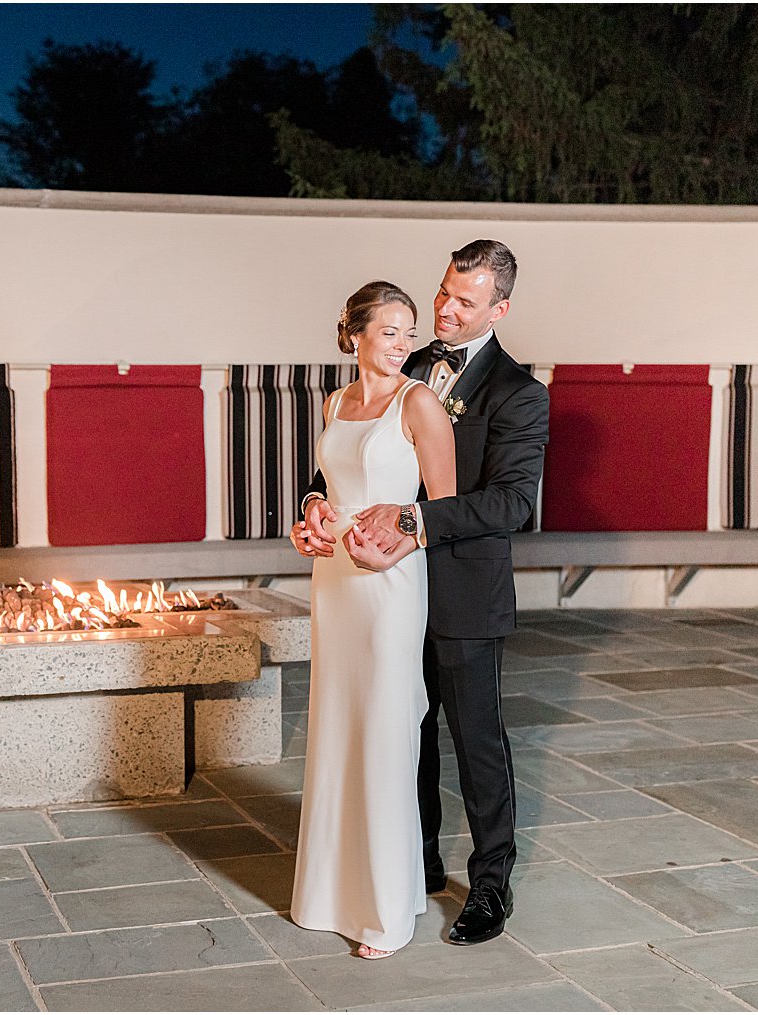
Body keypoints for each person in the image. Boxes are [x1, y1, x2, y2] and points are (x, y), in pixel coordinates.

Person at [298, 240, 549, 947]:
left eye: (464, 301)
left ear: (499, 309)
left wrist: (414, 520)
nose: (444, 308)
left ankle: (491, 885)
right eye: (444, 291)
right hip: (384, 589)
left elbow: (511, 505)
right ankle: (418, 863)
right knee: (400, 731)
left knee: (475, 741)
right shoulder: (402, 363)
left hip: (463, 591)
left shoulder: (520, 394)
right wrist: (317, 501)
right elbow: (356, 459)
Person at [288, 280, 456, 959]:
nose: (402, 343)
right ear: (354, 333)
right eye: (390, 330)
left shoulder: (420, 403)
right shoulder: (336, 401)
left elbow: (443, 508)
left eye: (409, 331)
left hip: (389, 581)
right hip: (333, 580)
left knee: (387, 732)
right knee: (337, 727)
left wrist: (400, 543)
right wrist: (313, 513)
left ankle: (386, 910)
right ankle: (330, 892)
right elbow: (329, 485)